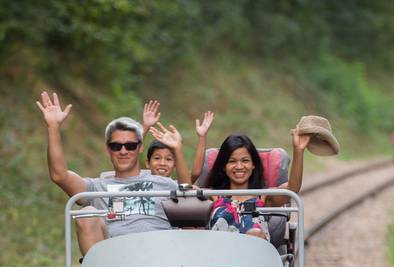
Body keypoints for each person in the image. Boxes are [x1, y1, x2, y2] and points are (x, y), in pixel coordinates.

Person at [36, 91, 182, 255]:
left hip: (161, 254)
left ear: (140, 147)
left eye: (130, 146)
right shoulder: (97, 187)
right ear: (108, 150)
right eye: (116, 146)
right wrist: (53, 127)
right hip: (116, 262)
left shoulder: (163, 182)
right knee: (86, 214)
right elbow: (59, 176)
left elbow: (190, 194)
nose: (123, 151)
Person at [205, 128, 310, 240]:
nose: (239, 166)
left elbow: (292, 188)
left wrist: (298, 151)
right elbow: (188, 192)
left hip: (256, 254)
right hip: (220, 253)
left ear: (253, 165)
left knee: (254, 234)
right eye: (232, 161)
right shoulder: (213, 195)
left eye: (245, 161)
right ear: (224, 166)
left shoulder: (263, 195)